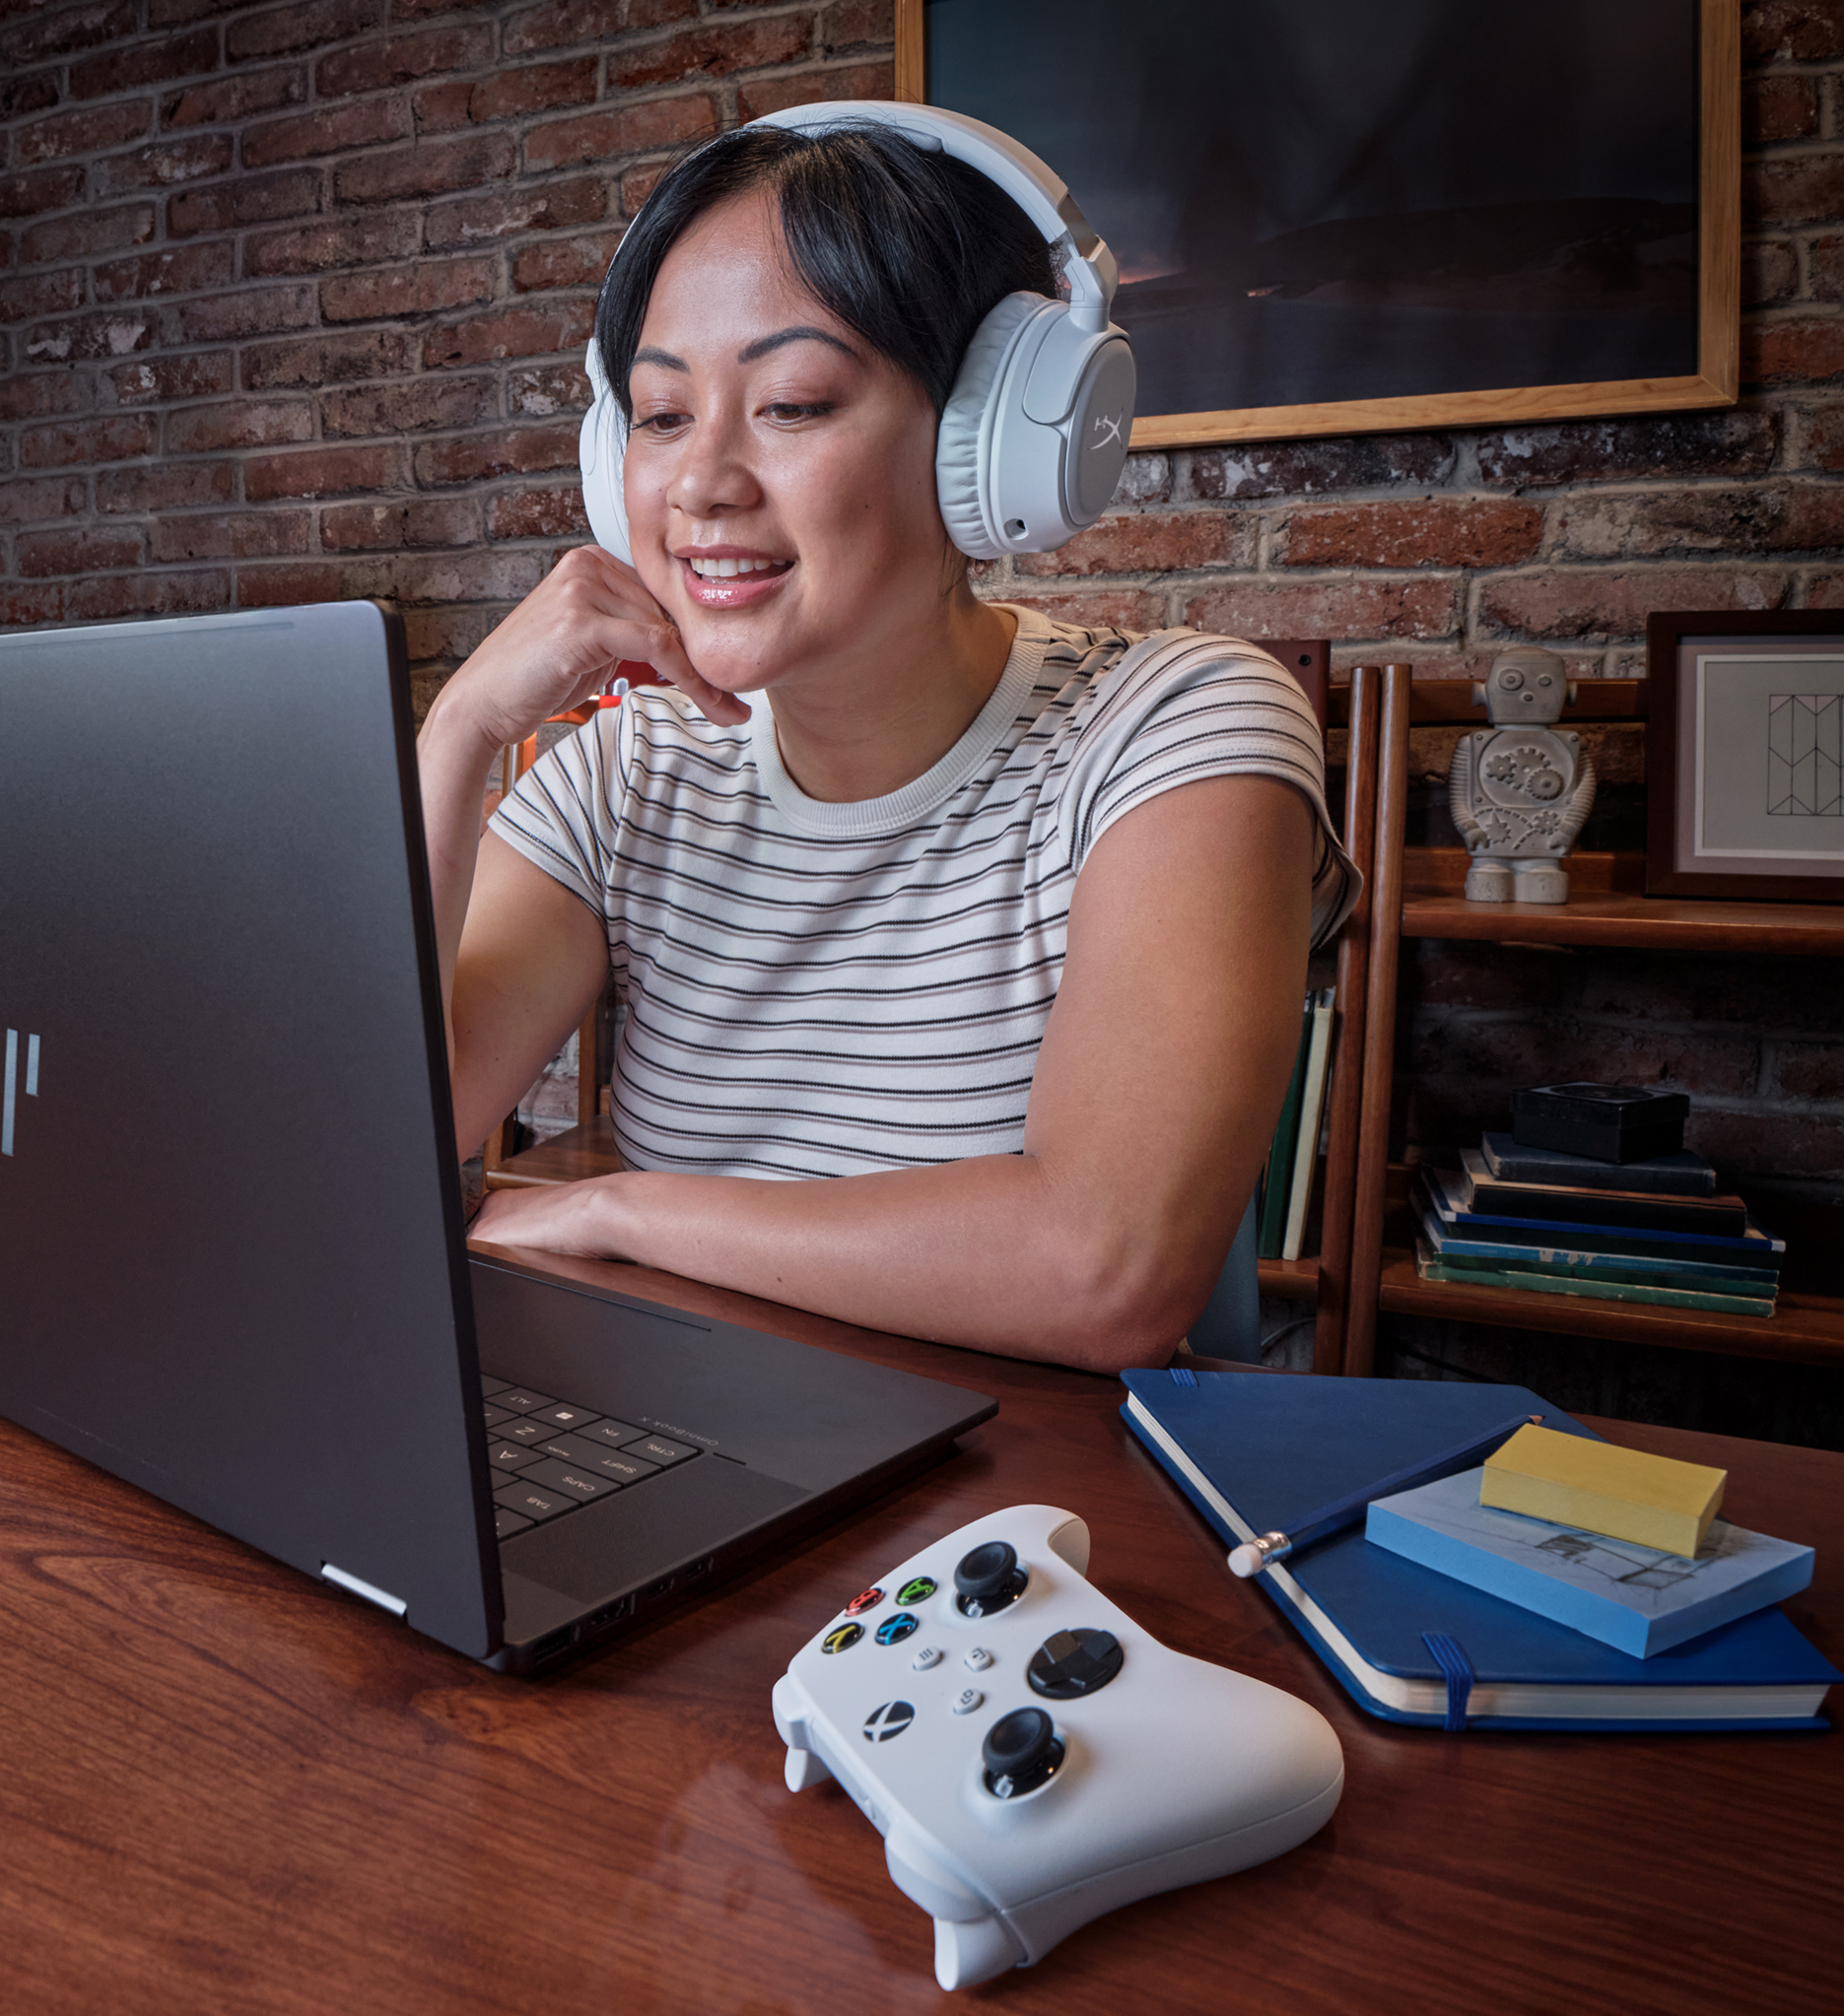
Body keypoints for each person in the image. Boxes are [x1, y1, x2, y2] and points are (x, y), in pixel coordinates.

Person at [418, 114, 1356, 1376]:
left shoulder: (1180, 726)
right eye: (658, 414)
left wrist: (616, 1206)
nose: (701, 484)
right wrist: (458, 733)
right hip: (687, 1440)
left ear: (994, 438)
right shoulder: (626, 771)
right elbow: (381, 1148)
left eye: (793, 403)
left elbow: (1103, 1270)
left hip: (1031, 1512)